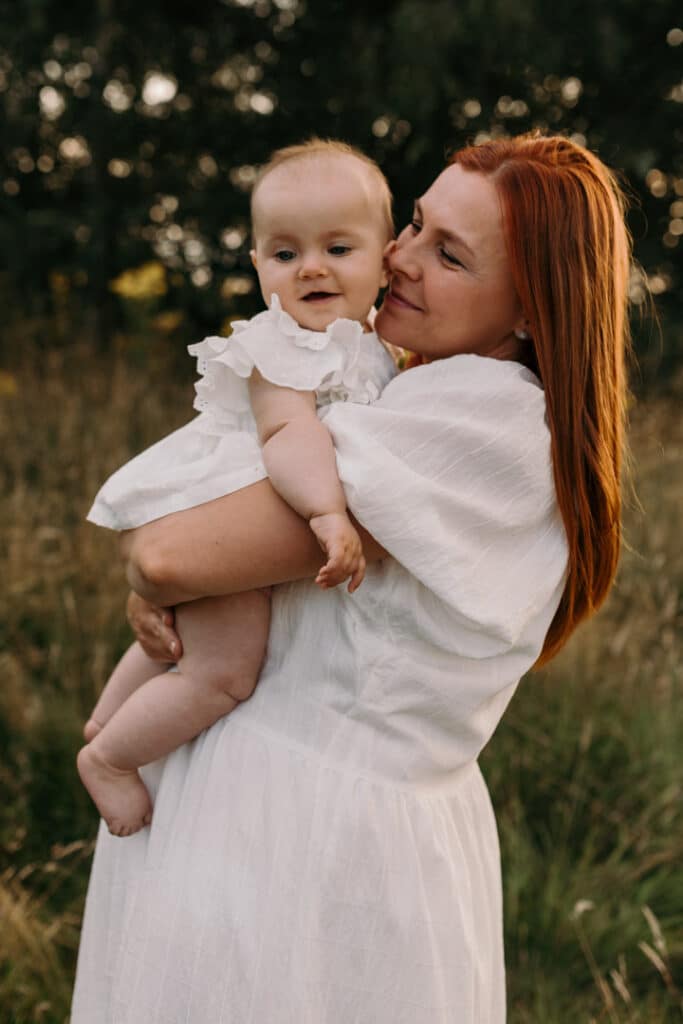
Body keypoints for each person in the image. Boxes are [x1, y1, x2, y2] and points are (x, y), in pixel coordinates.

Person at [71, 132, 630, 1023]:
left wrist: (158, 573)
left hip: (305, 846)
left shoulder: (482, 418)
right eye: (412, 224)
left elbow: (169, 555)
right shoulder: (402, 387)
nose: (400, 260)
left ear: (531, 312)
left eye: (449, 254)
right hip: (275, 822)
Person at [78, 139, 397, 836]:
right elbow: (288, 436)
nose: (310, 266)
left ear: (386, 255)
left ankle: (109, 714)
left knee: (175, 637)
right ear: (257, 267)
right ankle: (109, 757)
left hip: (236, 512)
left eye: (338, 249)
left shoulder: (376, 344)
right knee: (222, 672)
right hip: (235, 499)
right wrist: (327, 515)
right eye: (284, 255)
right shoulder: (281, 345)